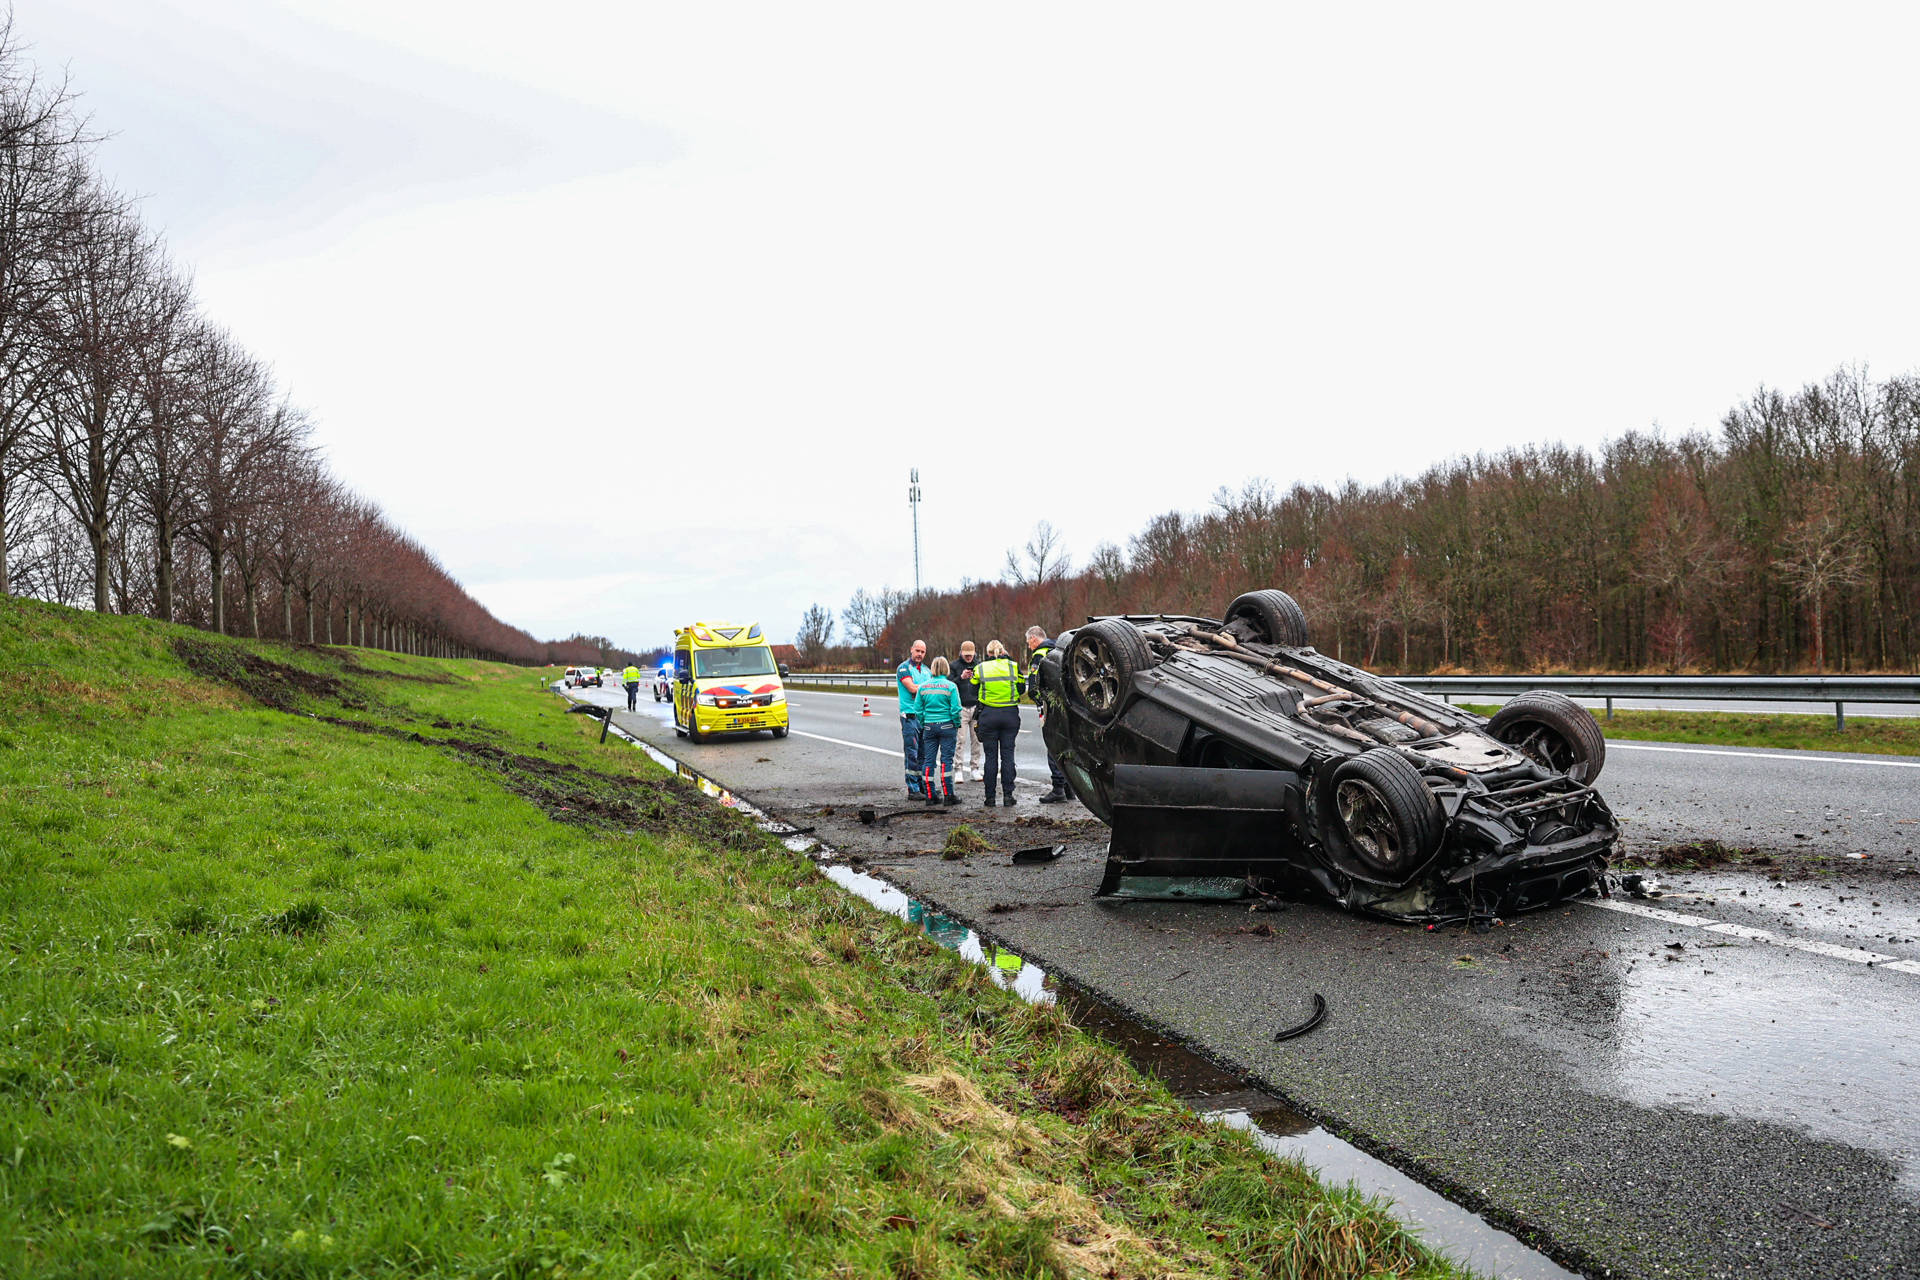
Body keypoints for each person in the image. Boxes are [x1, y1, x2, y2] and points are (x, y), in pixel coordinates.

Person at [973, 639, 1023, 806]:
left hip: (988, 715)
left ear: (987, 653)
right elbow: (1022, 688)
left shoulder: (980, 668)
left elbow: (972, 685)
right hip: (1009, 714)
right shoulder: (1013, 666)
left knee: (990, 757)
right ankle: (1008, 796)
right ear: (1003, 651)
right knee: (1008, 756)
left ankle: (990, 797)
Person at [1025, 625, 1070, 803]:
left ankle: (1058, 788)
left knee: (1053, 746)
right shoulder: (1060, 650)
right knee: (1066, 746)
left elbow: (1034, 685)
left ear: (1035, 639)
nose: (1028, 646)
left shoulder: (1039, 655)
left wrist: (1038, 701)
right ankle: (1069, 788)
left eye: (1028, 642)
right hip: (1066, 705)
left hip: (1050, 706)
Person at [915, 656, 963, 806]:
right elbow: (955, 709)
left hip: (929, 726)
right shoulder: (950, 686)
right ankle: (948, 795)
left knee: (928, 761)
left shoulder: (923, 687)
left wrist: (924, 722)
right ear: (946, 669)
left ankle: (930, 795)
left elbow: (918, 709)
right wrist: (956, 724)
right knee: (946, 761)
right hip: (947, 726)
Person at [896, 638, 930, 798]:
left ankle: (923, 786)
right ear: (911, 650)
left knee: (924, 753)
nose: (920, 654)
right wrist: (928, 688)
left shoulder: (926, 670)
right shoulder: (904, 668)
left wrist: (923, 688)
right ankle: (913, 788)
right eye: (917, 651)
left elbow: (923, 689)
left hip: (924, 716)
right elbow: (911, 688)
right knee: (912, 753)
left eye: (922, 652)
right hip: (909, 717)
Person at [952, 640, 983, 782]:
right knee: (960, 740)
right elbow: (949, 684)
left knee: (977, 740)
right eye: (966, 655)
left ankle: (975, 768)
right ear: (961, 653)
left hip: (976, 707)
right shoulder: (954, 666)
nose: (969, 657)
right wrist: (961, 677)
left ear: (974, 653)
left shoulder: (979, 665)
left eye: (971, 655)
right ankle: (958, 769)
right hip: (961, 708)